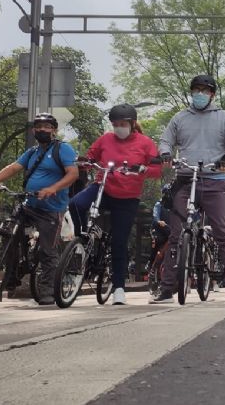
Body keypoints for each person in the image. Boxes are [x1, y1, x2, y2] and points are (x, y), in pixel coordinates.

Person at [150, 74, 225, 303]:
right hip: (185, 180)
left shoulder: (224, 117)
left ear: (212, 94)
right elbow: (166, 140)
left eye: (204, 90)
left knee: (224, 235)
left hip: (215, 180)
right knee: (175, 235)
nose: (199, 94)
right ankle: (167, 289)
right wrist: (165, 153)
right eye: (196, 89)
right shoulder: (180, 117)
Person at [69, 104, 160, 305]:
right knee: (76, 204)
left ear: (132, 123)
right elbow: (91, 156)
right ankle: (83, 239)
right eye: (115, 124)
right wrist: (85, 161)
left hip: (127, 197)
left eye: (123, 124)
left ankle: (119, 288)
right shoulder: (105, 139)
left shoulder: (145, 143)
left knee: (119, 242)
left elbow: (157, 169)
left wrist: (145, 169)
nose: (119, 127)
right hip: (103, 187)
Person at [0, 112, 78, 305]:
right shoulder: (32, 152)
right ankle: (12, 274)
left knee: (47, 251)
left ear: (53, 130)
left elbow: (73, 174)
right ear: (34, 130)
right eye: (39, 126)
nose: (42, 130)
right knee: (9, 232)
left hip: (52, 207)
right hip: (30, 203)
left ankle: (47, 290)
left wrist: (53, 188)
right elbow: (13, 168)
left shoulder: (63, 149)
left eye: (47, 126)